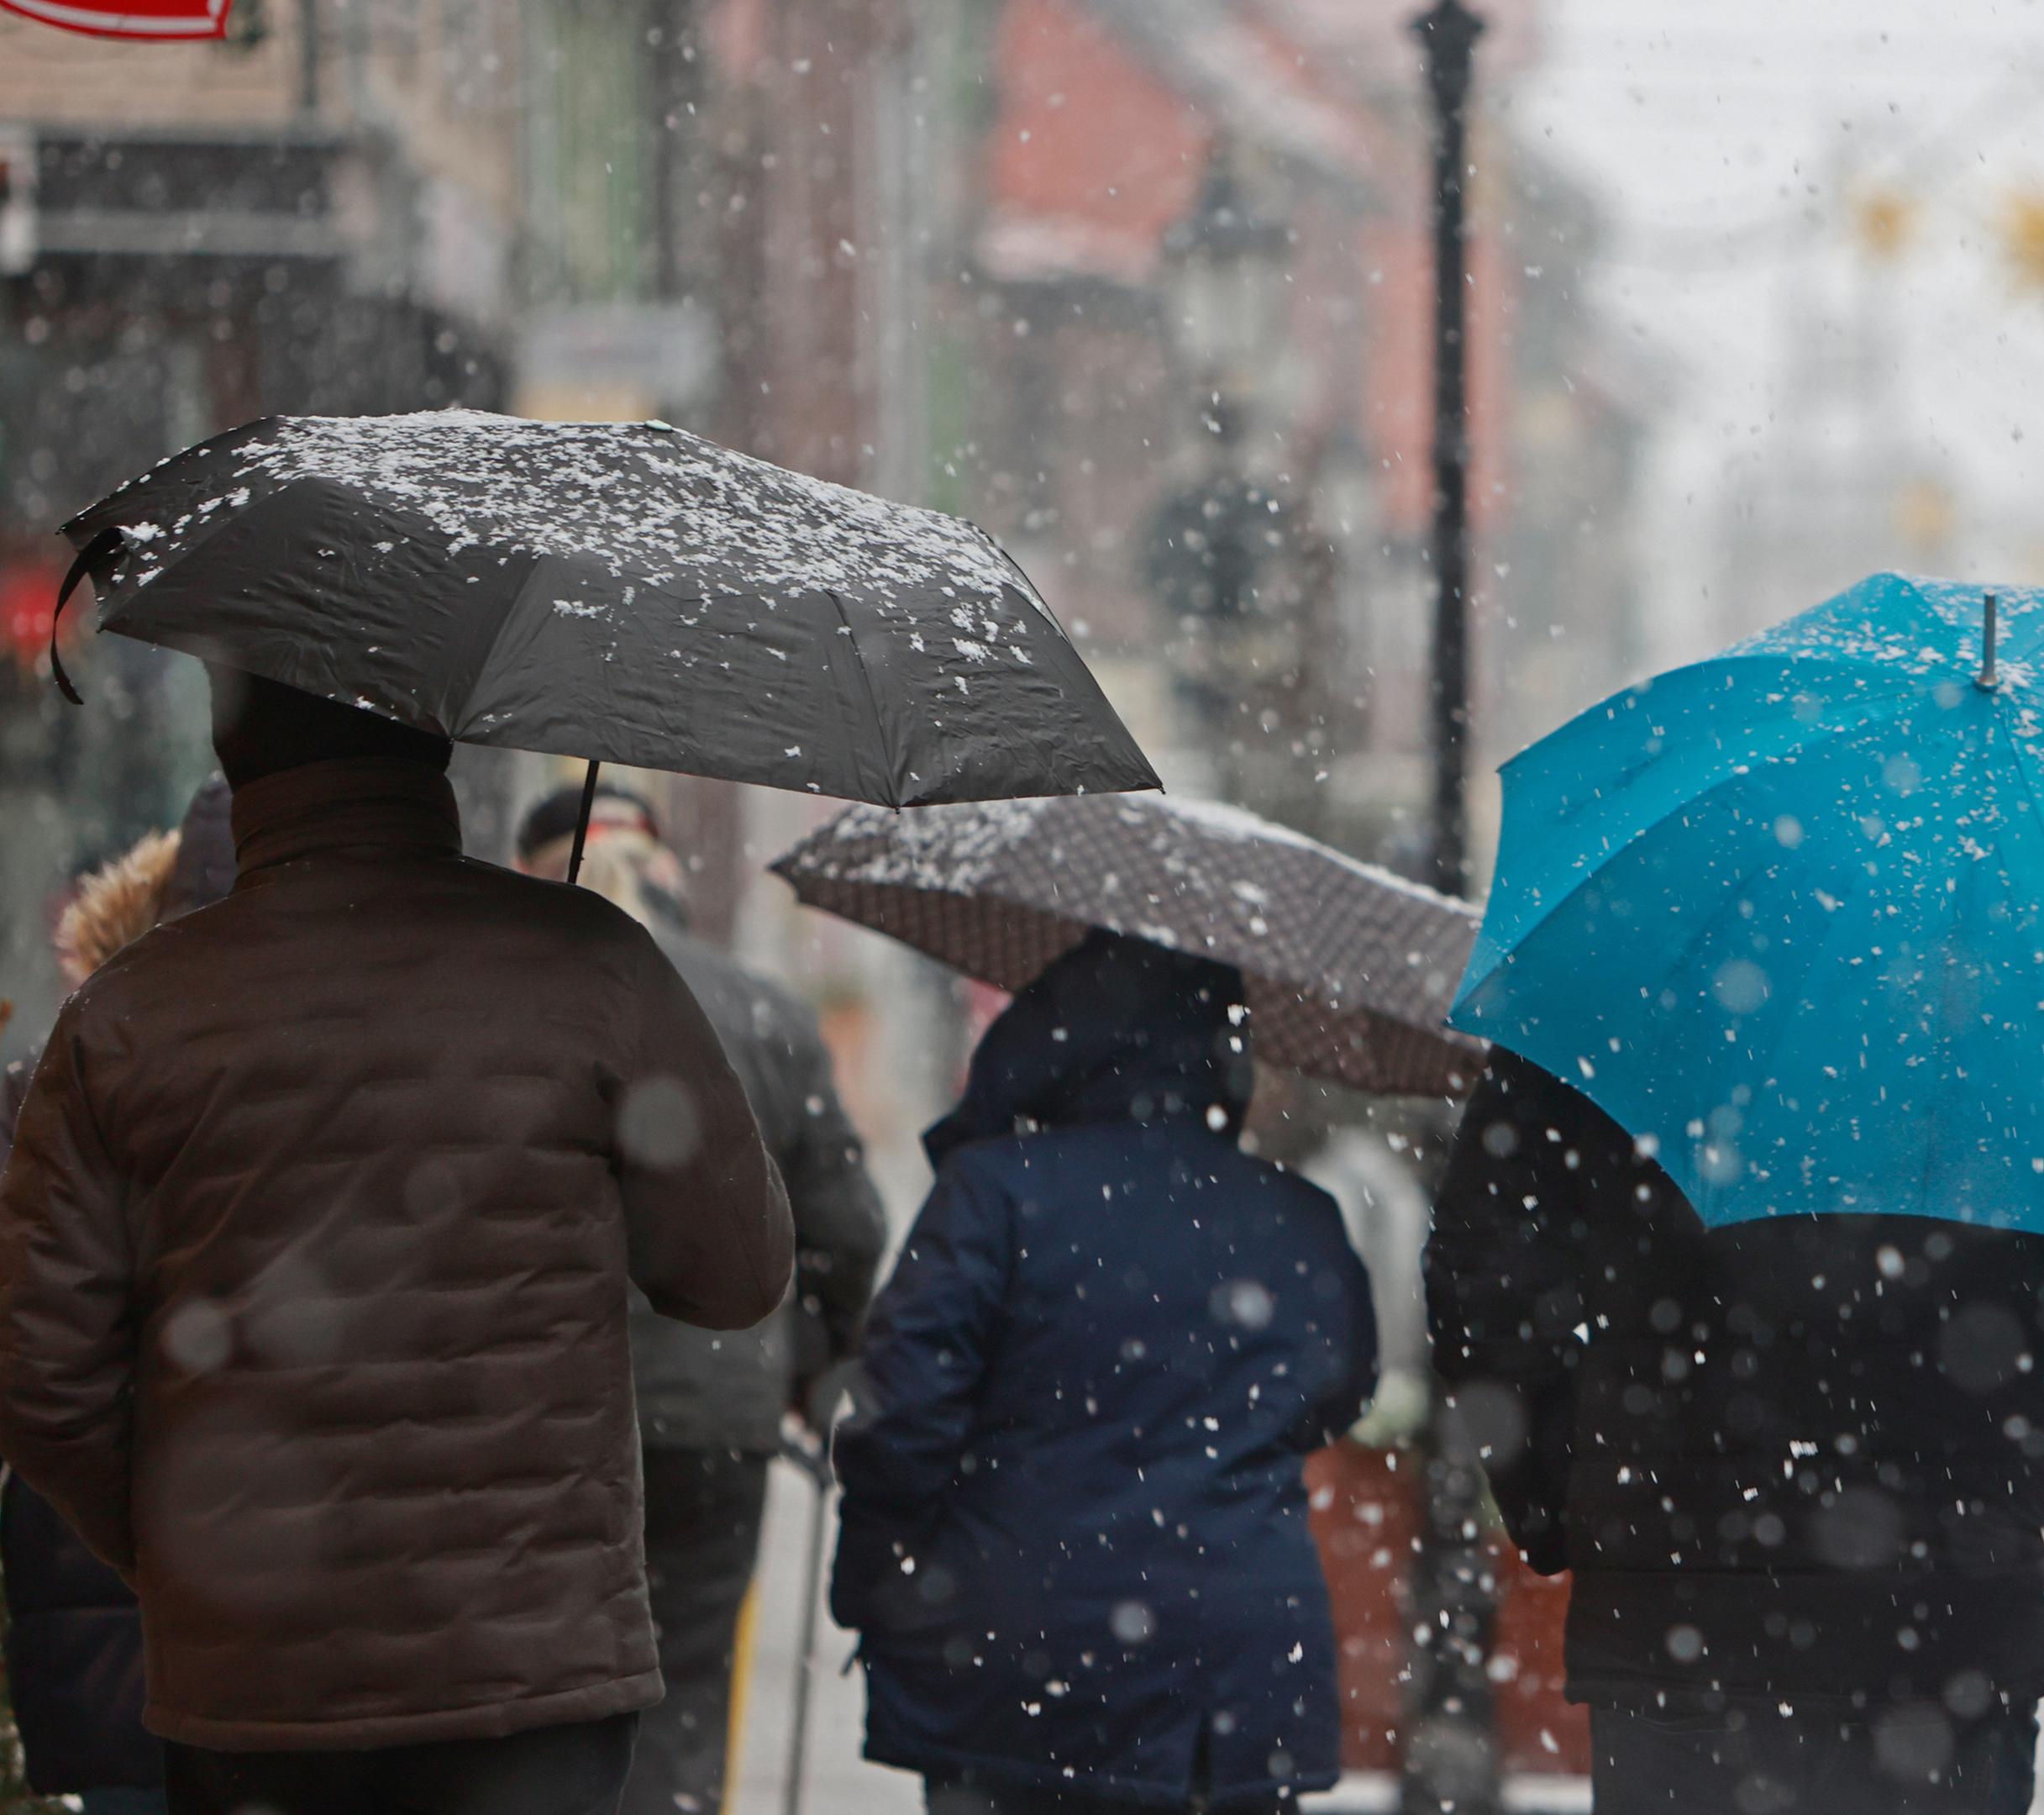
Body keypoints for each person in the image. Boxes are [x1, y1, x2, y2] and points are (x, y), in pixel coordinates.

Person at [0, 674, 795, 1815]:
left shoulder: (127, 1016)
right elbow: (737, 1274)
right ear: (439, 743)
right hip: (531, 1681)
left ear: (232, 751)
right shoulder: (587, 964)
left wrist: (185, 1553)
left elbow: (38, 1373)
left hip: (253, 1687)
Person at [1426, 1051, 2044, 1815]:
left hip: (1682, 1614)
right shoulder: (2011, 998)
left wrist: (1569, 1500)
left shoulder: (1616, 969)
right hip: (1938, 1626)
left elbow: (1484, 1269)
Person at [831, 934, 1377, 1815]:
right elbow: (1334, 1393)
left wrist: (874, 1585)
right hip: (1231, 1673)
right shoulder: (1298, 1218)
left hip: (1024, 1657)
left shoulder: (995, 1194)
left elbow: (900, 1417)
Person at [515, 784, 889, 1815]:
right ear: (669, 870)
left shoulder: (511, 1007)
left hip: (543, 1414)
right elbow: (846, 1227)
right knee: (682, 1695)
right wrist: (812, 1363)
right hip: (716, 1415)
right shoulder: (765, 1013)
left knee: (545, 1696)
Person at [0, 775, 231, 1815]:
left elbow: (31, 1372)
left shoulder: (52, 1084)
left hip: (102, 1650)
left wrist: (125, 1530)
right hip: (317, 1669)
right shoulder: (374, 1100)